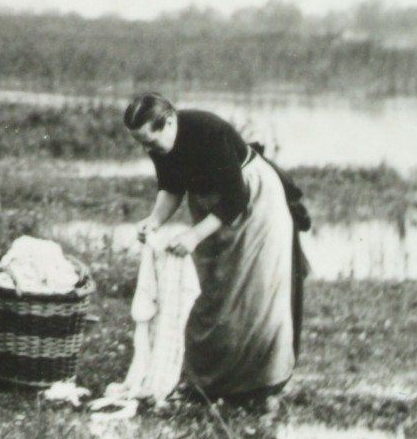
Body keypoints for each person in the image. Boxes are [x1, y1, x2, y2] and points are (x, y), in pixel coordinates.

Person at [124, 92, 298, 406]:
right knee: (212, 291)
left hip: (254, 202)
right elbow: (171, 186)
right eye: (141, 143)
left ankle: (260, 388)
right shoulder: (158, 144)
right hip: (211, 208)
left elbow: (235, 198)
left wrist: (193, 236)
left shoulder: (208, 131)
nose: (147, 150)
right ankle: (213, 384)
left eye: (150, 141)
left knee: (252, 294)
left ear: (170, 122)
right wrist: (154, 220)